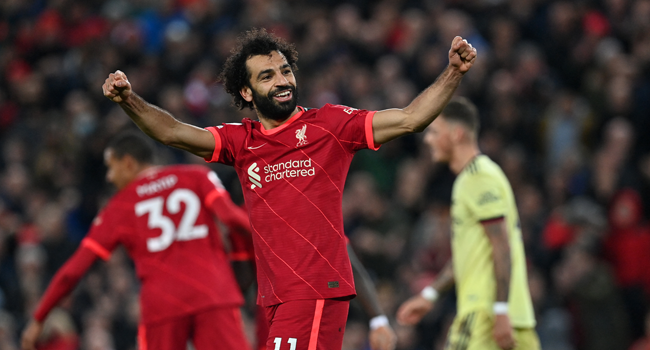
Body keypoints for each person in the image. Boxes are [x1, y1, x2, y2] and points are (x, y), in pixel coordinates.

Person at [102, 28, 477, 350]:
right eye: (267, 76)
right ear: (247, 93)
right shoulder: (241, 142)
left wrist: (453, 73)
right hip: (276, 299)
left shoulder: (330, 126)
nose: (282, 81)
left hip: (315, 290)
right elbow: (171, 132)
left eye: (285, 71)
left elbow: (411, 118)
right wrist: (128, 100)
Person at [21, 132, 252, 350]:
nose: (110, 177)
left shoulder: (120, 206)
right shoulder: (197, 176)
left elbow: (73, 271)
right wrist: (280, 234)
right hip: (213, 291)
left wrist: (39, 317)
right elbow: (232, 218)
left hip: (163, 304)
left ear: (129, 162)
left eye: (112, 167)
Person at [395, 98, 540, 350]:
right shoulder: (471, 179)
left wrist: (500, 310)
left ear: (457, 134)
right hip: (512, 317)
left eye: (434, 132)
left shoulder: (478, 177)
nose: (428, 140)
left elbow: (501, 244)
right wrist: (430, 296)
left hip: (484, 317)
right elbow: (467, 254)